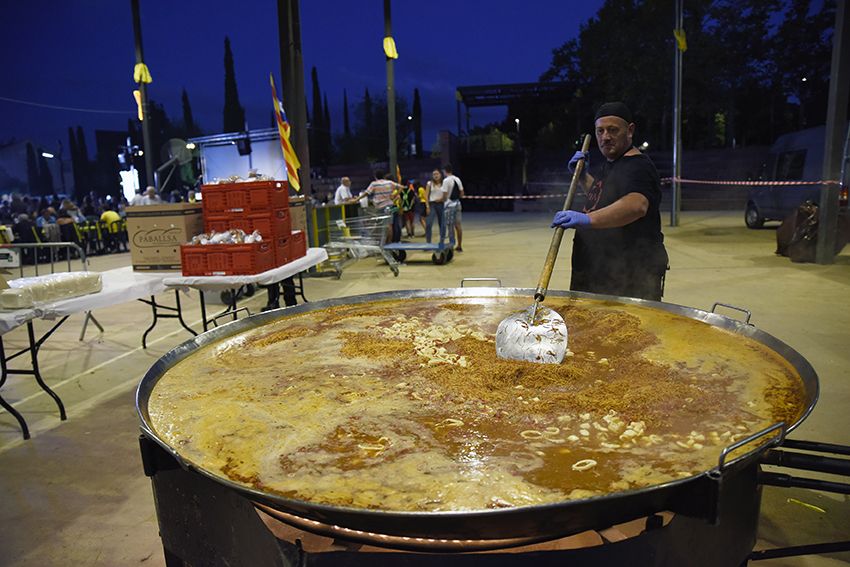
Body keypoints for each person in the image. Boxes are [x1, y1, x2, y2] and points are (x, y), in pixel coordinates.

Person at [550, 101, 668, 301]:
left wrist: (587, 219)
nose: (605, 137)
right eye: (600, 131)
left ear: (630, 131)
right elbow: (604, 198)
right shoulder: (612, 163)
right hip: (599, 270)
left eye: (613, 130)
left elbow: (636, 205)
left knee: (627, 322)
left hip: (628, 275)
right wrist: (583, 178)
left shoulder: (638, 166)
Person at [442, 164, 465, 252]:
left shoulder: (446, 180)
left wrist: (442, 201)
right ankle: (459, 245)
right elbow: (462, 193)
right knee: (458, 225)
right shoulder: (457, 179)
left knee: (450, 226)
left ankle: (451, 245)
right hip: (458, 204)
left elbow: (444, 195)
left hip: (449, 206)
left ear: (445, 171)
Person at [425, 169, 446, 244]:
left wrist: (441, 199)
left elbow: (446, 195)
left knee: (442, 224)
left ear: (440, 174)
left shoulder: (444, 183)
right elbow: (426, 196)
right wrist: (427, 206)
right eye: (434, 174)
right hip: (432, 204)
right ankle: (428, 242)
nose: (435, 176)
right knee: (428, 223)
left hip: (442, 204)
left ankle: (441, 242)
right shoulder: (429, 183)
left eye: (437, 174)